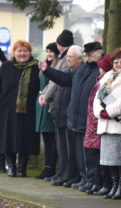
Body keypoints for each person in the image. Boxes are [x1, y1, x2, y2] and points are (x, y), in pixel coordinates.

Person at [40, 42, 102, 189]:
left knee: (89, 154)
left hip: (89, 118)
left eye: (90, 54)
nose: (88, 57)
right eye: (86, 54)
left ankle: (91, 180)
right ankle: (84, 177)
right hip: (76, 118)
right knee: (80, 153)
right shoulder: (83, 69)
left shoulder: (99, 70)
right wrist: (47, 70)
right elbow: (64, 78)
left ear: (99, 52)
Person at [0, 40, 41, 177]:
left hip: (28, 109)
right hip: (7, 109)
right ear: (14, 53)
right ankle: (12, 166)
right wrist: (0, 98)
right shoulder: (6, 67)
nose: (22, 54)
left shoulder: (35, 67)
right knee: (9, 137)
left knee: (25, 138)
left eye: (25, 51)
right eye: (19, 51)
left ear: (30, 53)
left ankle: (22, 168)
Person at [94, 49, 121, 199]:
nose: (118, 64)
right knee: (110, 160)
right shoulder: (108, 77)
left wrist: (109, 111)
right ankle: (114, 185)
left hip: (117, 123)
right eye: (116, 62)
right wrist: (100, 112)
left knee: (119, 159)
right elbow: (98, 99)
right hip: (105, 123)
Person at [42, 30, 73, 184]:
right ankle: (61, 172)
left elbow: (57, 80)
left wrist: (46, 96)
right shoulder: (62, 58)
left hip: (63, 105)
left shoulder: (65, 59)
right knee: (59, 142)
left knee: (63, 144)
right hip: (59, 105)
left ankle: (64, 173)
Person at [85, 53, 114, 195]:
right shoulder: (101, 80)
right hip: (94, 122)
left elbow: (107, 101)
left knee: (100, 156)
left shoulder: (105, 82)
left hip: (98, 122)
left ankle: (102, 183)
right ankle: (98, 182)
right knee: (95, 155)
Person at [35, 43, 58, 180]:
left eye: (52, 52)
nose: (49, 54)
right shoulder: (44, 65)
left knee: (51, 139)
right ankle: (47, 167)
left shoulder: (55, 67)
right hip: (41, 104)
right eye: (47, 51)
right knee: (46, 138)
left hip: (49, 104)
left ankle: (51, 167)